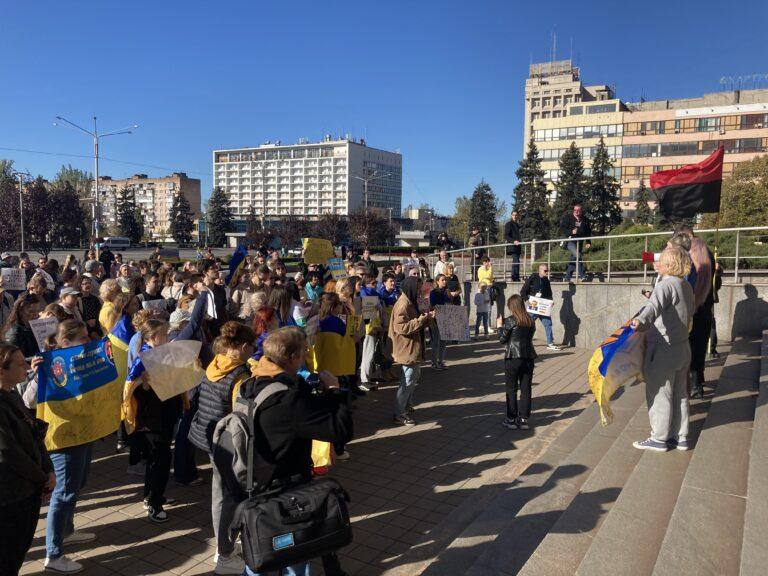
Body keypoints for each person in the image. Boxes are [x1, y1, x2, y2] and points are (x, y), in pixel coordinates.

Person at [238, 327, 354, 576]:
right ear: (292, 357)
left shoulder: (250, 384)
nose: (306, 356)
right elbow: (340, 430)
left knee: (260, 553)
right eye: (303, 352)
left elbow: (301, 418)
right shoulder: (289, 399)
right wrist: (334, 390)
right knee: (294, 556)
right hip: (286, 490)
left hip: (253, 483)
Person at [188, 321, 255, 575]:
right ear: (244, 347)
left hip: (208, 435)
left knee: (219, 491)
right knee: (230, 495)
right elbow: (243, 414)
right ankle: (225, 549)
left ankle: (221, 544)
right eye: (253, 348)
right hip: (226, 440)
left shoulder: (215, 362)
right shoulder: (240, 375)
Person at [41, 320, 98, 574]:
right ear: (66, 343)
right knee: (63, 493)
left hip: (82, 433)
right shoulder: (51, 366)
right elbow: (31, 398)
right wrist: (37, 374)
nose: (88, 341)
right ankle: (53, 554)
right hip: (63, 440)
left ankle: (68, 531)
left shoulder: (81, 363)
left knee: (76, 485)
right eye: (83, 338)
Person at [630, 246, 695, 452]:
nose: (657, 263)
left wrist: (639, 322)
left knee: (660, 393)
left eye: (662, 260)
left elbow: (653, 308)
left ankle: (659, 438)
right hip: (683, 347)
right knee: (680, 393)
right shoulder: (685, 285)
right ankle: (681, 436)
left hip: (664, 348)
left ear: (669, 264)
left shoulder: (665, 285)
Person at [0, 343, 54, 576]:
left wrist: (49, 469)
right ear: (2, 371)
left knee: (17, 553)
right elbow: (9, 452)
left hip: (28, 490)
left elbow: (34, 433)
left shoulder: (12, 394)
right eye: (20, 364)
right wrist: (42, 477)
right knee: (8, 558)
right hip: (12, 496)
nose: (27, 367)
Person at [123, 318, 184, 523]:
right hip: (153, 420)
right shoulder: (144, 359)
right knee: (159, 460)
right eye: (164, 335)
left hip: (167, 414)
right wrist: (143, 382)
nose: (168, 337)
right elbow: (131, 387)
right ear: (151, 338)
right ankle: (154, 503)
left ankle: (153, 495)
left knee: (161, 458)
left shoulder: (163, 353)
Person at [389, 277, 434, 426]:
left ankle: (405, 406)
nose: (421, 290)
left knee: (413, 377)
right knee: (407, 380)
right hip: (406, 348)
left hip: (412, 347)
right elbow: (401, 328)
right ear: (411, 288)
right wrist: (421, 320)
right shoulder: (403, 304)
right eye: (419, 287)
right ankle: (399, 413)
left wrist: (427, 318)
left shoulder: (410, 301)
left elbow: (417, 323)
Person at [677, 225, 714, 399]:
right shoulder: (707, 251)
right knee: (700, 344)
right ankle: (699, 380)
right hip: (706, 307)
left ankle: (695, 384)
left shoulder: (689, 253)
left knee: (692, 346)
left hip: (692, 308)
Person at [498, 295, 537, 430]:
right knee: (526, 389)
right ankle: (524, 419)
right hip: (528, 356)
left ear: (512, 307)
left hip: (513, 357)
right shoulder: (530, 320)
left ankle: (511, 418)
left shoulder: (510, 320)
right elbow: (529, 337)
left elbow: (502, 340)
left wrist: (499, 327)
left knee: (511, 389)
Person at [521, 265, 561, 351]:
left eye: (548, 271)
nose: (547, 272)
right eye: (545, 271)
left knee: (548, 324)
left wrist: (551, 301)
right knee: (528, 325)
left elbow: (549, 293)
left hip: (543, 308)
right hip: (533, 307)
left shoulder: (547, 280)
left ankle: (550, 343)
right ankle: (525, 342)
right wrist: (526, 300)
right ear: (540, 270)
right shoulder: (533, 278)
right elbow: (523, 291)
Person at [2, 294, 43, 358]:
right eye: (31, 311)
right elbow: (13, 359)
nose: (36, 315)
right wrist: (36, 359)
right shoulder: (14, 333)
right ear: (20, 311)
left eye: (37, 311)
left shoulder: (31, 327)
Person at [559, 203, 592, 281]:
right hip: (570, 241)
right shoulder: (568, 218)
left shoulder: (584, 219)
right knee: (578, 256)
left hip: (580, 242)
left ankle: (567, 277)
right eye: (575, 210)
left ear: (581, 211)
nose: (576, 212)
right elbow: (562, 229)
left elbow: (587, 232)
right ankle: (583, 275)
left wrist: (588, 242)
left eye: (578, 210)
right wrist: (571, 232)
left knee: (574, 258)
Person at [429, 275, 450, 369]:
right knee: (436, 341)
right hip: (436, 319)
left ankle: (441, 361)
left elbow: (450, 303)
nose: (444, 281)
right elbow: (433, 305)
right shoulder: (433, 292)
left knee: (443, 342)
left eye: (445, 280)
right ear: (437, 282)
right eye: (442, 280)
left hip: (445, 318)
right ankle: (434, 362)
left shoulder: (447, 291)